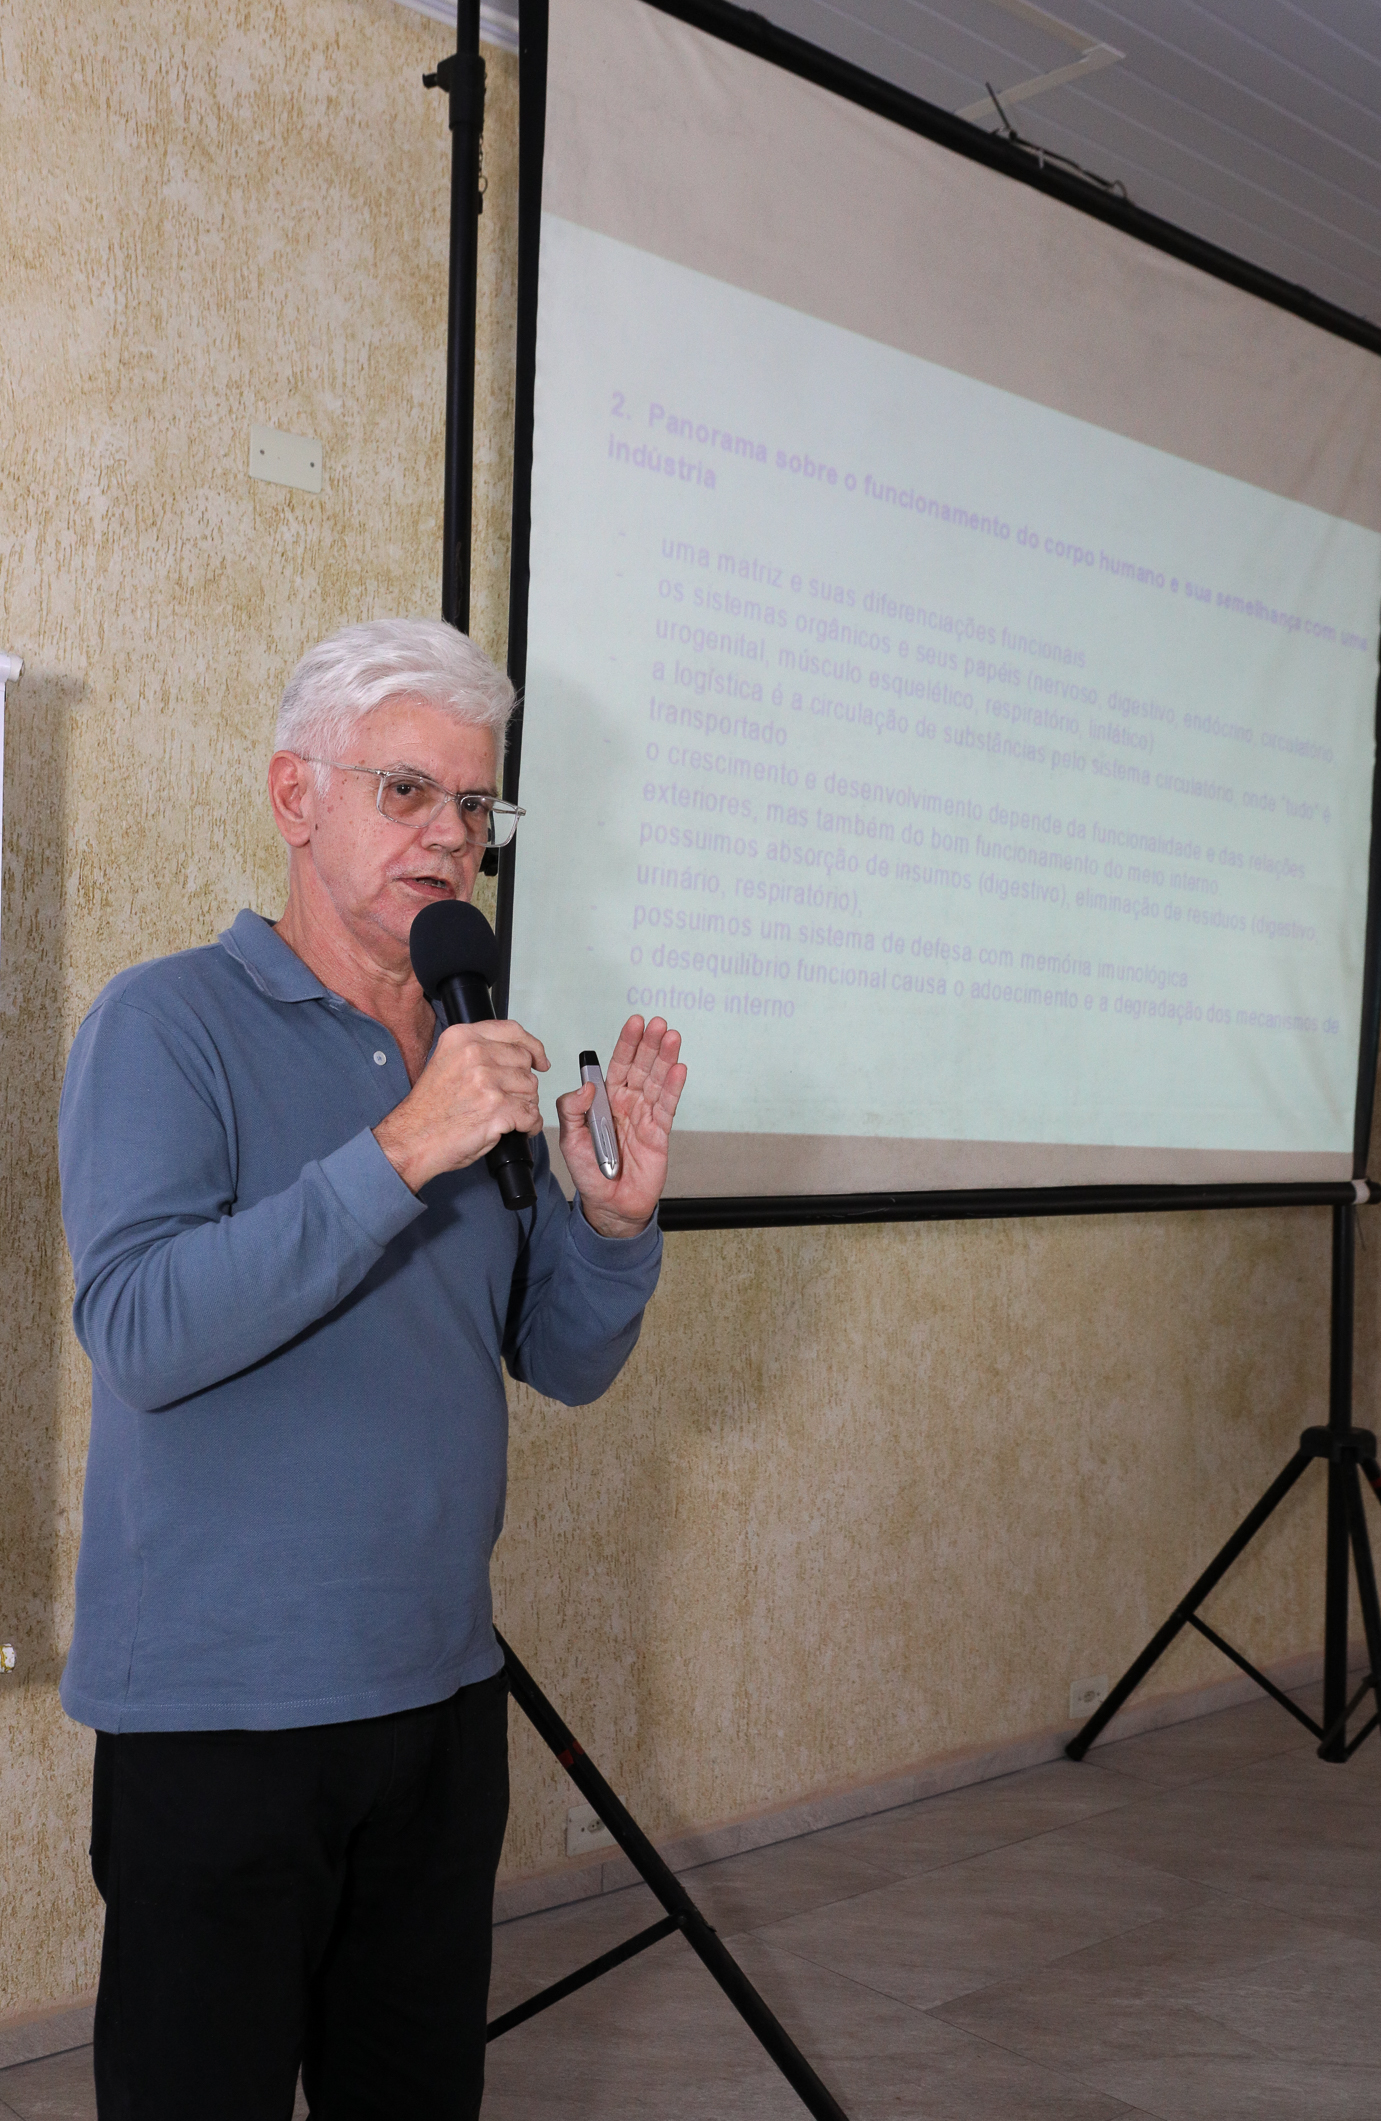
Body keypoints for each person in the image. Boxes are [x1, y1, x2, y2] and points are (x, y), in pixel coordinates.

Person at [57, 617, 687, 2120]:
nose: (450, 839)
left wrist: (611, 1223)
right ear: (294, 796)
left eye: (475, 806)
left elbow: (558, 1360)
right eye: (407, 792)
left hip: (442, 1701)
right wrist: (402, 1147)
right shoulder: (166, 1024)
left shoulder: (475, 1051)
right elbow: (140, 1328)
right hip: (219, 1721)